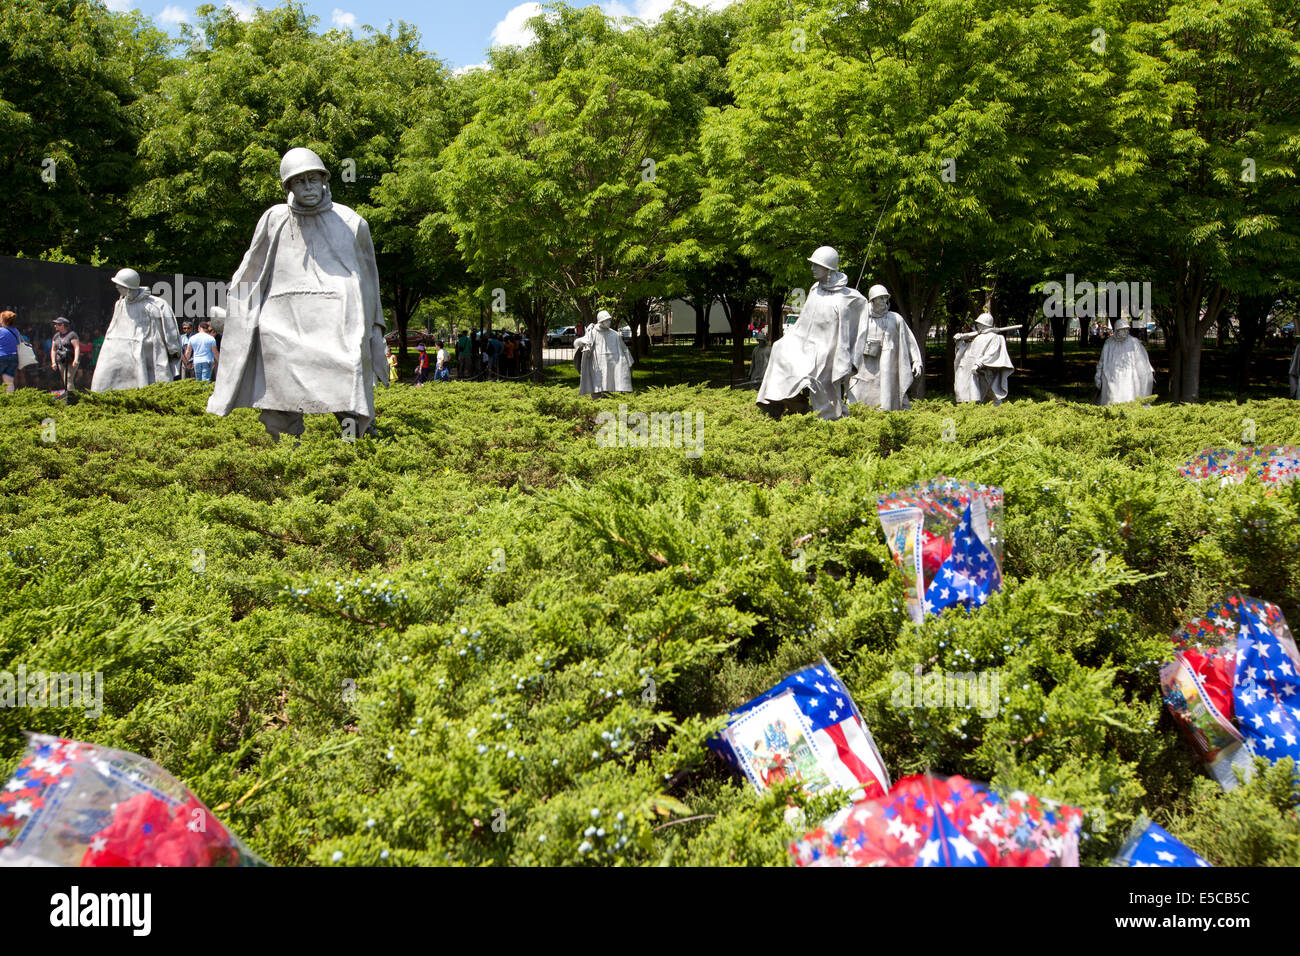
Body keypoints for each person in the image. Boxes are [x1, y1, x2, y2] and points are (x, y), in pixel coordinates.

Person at [207, 148, 389, 440]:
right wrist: (237, 307)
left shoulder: (351, 222)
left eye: (313, 180)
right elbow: (251, 267)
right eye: (299, 181)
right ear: (288, 186)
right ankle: (287, 446)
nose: (308, 187)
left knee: (348, 374)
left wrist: (374, 326)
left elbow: (369, 278)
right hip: (284, 319)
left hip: (338, 321)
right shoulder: (274, 218)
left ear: (324, 181)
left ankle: (353, 440)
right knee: (279, 380)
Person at [757, 247, 862, 420]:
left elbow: (857, 324)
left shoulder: (848, 297)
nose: (812, 269)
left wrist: (853, 357)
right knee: (779, 347)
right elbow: (804, 322)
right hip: (806, 342)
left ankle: (828, 414)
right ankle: (781, 399)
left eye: (816, 265)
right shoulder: (815, 289)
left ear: (828, 268)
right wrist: (790, 339)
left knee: (819, 368)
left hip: (828, 349)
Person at [91, 268, 182, 392]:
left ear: (129, 288)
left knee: (144, 386)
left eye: (120, 285)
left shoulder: (156, 305)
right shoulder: (120, 304)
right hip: (118, 354)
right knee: (102, 383)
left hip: (145, 354)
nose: (117, 287)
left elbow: (170, 333)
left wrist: (174, 352)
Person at [844, 284, 923, 412]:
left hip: (887, 367)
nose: (883, 301)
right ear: (872, 300)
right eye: (880, 298)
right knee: (857, 395)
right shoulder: (861, 318)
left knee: (887, 397)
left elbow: (909, 339)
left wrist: (916, 360)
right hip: (864, 367)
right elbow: (849, 338)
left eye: (885, 298)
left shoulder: (895, 319)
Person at [953, 312, 1015, 405]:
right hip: (970, 369)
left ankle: (999, 412)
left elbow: (991, 353)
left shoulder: (994, 337)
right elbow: (969, 351)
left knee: (990, 394)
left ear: (984, 324)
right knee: (970, 392)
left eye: (979, 323)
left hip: (983, 370)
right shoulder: (978, 337)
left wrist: (979, 364)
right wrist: (960, 341)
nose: (977, 325)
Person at [1095, 313, 1155, 405]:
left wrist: (1147, 372)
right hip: (1112, 375)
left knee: (1129, 395)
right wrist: (1098, 375)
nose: (1126, 332)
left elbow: (1141, 360)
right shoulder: (1109, 343)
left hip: (1129, 375)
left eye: (1127, 329)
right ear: (1117, 331)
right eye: (1123, 330)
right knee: (1112, 398)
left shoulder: (1134, 342)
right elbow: (1102, 361)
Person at [574, 310, 633, 398]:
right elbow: (578, 343)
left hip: (611, 362)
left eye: (609, 320)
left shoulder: (615, 334)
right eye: (606, 320)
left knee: (609, 380)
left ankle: (608, 398)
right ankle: (596, 400)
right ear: (601, 321)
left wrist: (629, 360)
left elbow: (624, 349)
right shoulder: (592, 333)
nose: (609, 322)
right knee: (597, 383)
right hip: (597, 363)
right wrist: (581, 342)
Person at [50, 317, 80, 393]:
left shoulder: (72, 335)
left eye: (57, 324)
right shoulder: (56, 336)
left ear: (62, 325)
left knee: (68, 378)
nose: (55, 326)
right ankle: (70, 396)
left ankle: (71, 399)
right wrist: (53, 362)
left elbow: (76, 347)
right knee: (65, 380)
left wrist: (76, 360)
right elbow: (53, 349)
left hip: (71, 360)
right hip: (61, 361)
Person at [0, 311, 20, 394]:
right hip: (13, 358)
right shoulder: (15, 331)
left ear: (3, 320)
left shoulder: (0, 330)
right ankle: (10, 401)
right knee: (9, 382)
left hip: (2, 357)